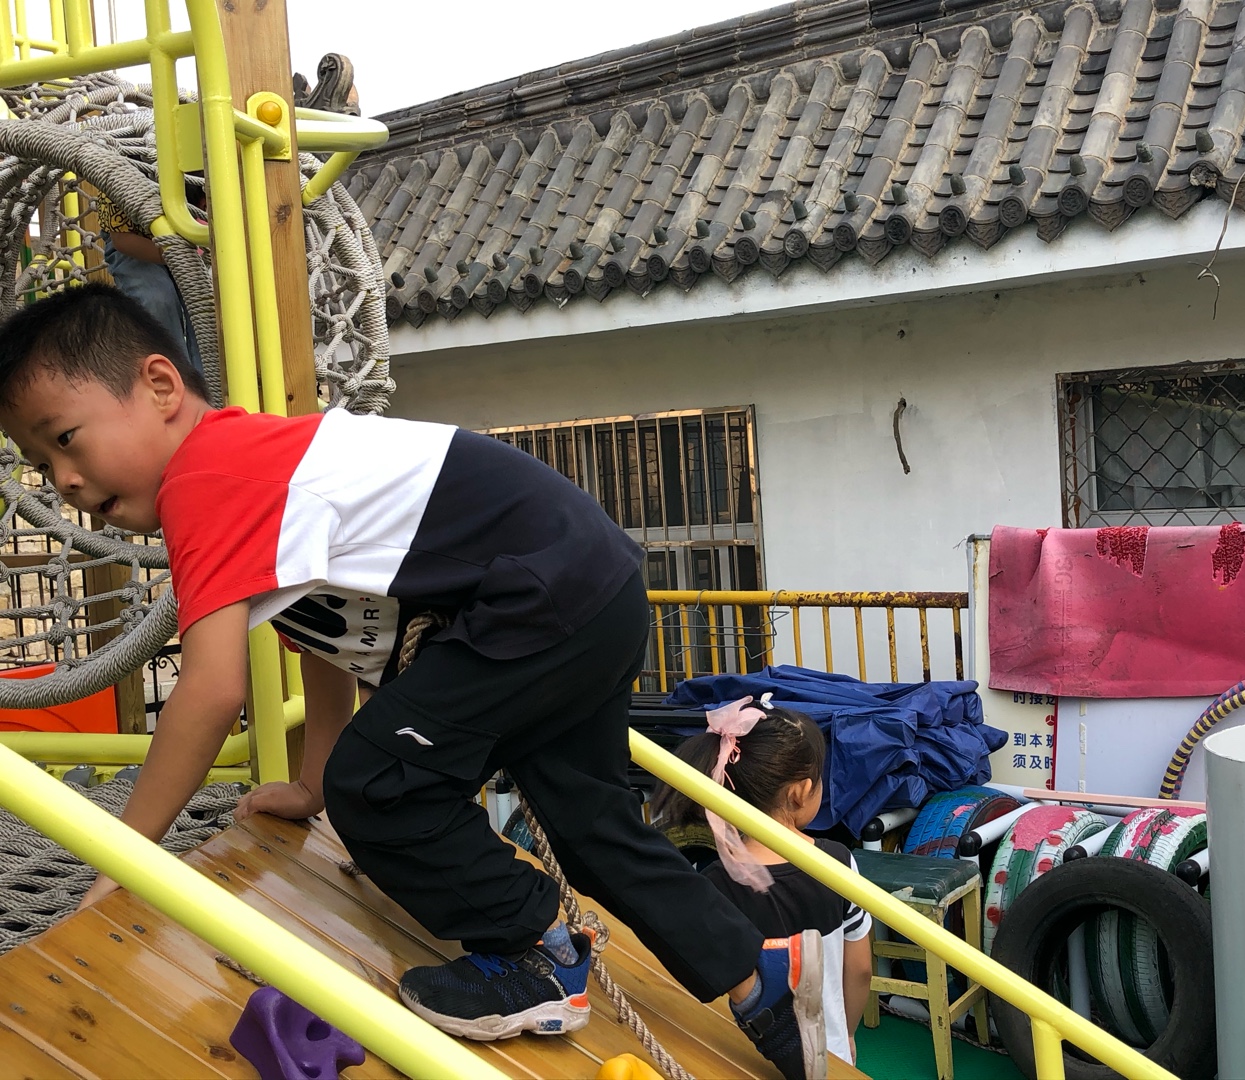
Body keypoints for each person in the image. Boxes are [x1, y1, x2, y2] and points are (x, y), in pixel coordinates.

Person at [0, 284, 827, 1080]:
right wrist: (312, 785)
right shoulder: (260, 471)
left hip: (536, 594)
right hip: (589, 585)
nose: (62, 479)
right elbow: (322, 644)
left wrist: (122, 860)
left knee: (381, 783)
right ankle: (763, 983)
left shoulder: (206, 478)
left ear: (159, 387)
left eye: (65, 438)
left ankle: (535, 951)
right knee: (592, 827)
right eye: (40, 463)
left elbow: (211, 692)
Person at [651, 696, 873, 1066]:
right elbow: (860, 969)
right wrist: (846, 1033)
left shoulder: (714, 882)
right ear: (800, 791)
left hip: (745, 1058)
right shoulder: (837, 863)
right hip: (827, 1056)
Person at [95, 180, 208, 392]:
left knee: (204, 302)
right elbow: (123, 240)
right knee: (156, 298)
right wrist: (177, 255)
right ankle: (174, 386)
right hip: (134, 241)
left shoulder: (201, 178)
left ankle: (210, 387)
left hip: (189, 238)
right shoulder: (120, 175)